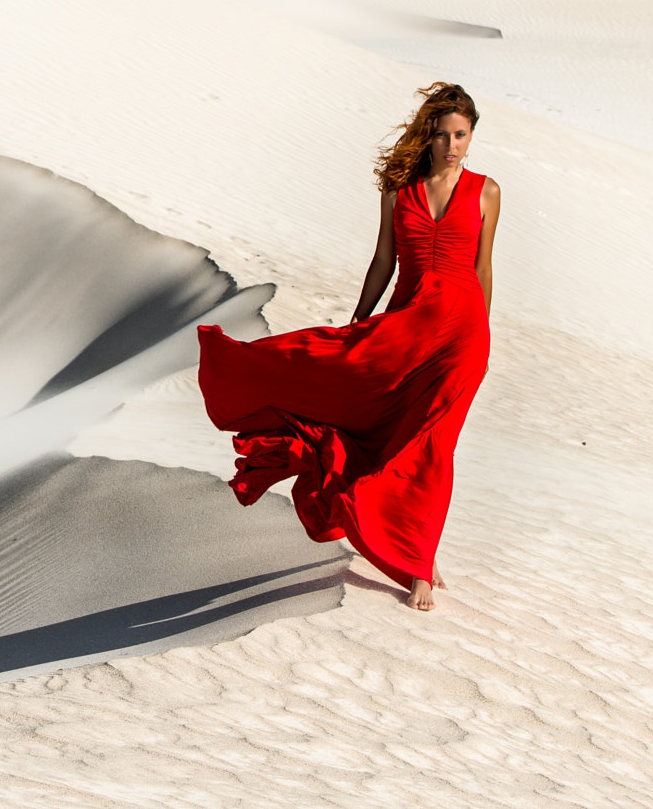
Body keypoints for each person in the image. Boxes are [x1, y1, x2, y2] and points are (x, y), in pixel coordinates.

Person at [196, 83, 500, 612]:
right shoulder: (398, 191)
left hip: (461, 335)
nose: (453, 145)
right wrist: (361, 319)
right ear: (428, 136)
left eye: (463, 136)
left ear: (472, 137)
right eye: (445, 135)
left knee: (431, 444)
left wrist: (484, 334)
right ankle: (401, 537)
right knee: (380, 428)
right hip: (405, 329)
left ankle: (419, 563)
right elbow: (384, 260)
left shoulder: (486, 191)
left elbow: (482, 268)